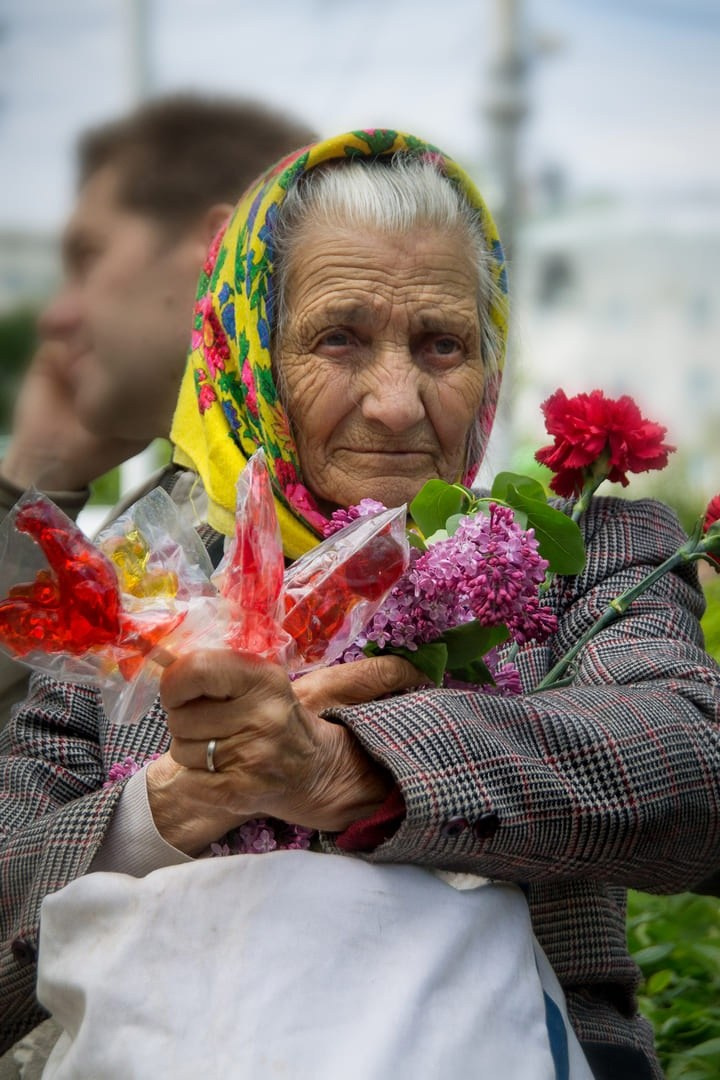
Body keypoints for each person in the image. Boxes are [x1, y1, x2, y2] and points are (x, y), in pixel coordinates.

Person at [1, 130, 718, 1079]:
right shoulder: (139, 591)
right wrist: (173, 803)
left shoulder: (581, 554)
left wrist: (351, 768)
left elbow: (693, 760)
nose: (395, 401)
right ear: (251, 347)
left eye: (442, 344)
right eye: (339, 337)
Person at [0, 94, 316, 724]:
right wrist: (39, 476)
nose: (56, 317)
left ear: (216, 248)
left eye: (86, 258)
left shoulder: (272, 524)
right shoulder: (183, 502)